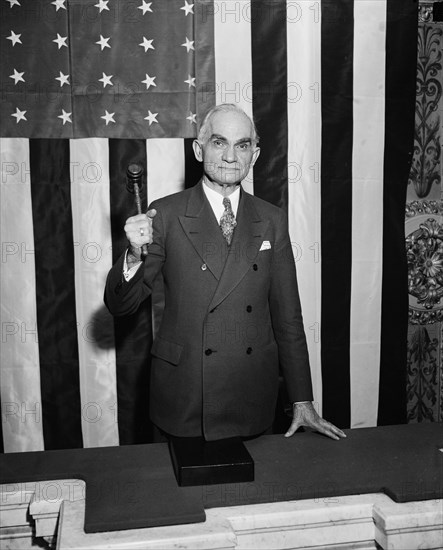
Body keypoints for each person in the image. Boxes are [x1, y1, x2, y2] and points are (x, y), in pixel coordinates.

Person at [105, 104, 345, 442]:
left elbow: (287, 317)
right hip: (185, 397)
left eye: (242, 145)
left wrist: (301, 398)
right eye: (219, 143)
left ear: (255, 155)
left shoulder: (271, 219)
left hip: (252, 396)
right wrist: (132, 253)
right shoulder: (166, 214)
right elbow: (121, 306)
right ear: (199, 150)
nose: (231, 156)